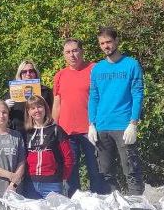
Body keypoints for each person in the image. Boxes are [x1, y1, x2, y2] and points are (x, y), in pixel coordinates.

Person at [88, 26, 146, 195]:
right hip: (102, 126)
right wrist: (91, 123)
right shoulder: (97, 69)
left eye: (109, 42)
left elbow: (137, 94)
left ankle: (138, 209)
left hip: (123, 125)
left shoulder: (131, 65)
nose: (106, 46)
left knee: (131, 170)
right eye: (102, 43)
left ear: (116, 41)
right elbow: (94, 97)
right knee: (105, 173)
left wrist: (133, 123)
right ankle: (112, 208)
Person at [53, 38, 106, 196]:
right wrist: (53, 127)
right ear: (64, 55)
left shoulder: (94, 69)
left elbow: (104, 98)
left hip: (91, 129)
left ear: (82, 51)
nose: (72, 55)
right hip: (66, 131)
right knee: (70, 172)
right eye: (68, 52)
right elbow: (57, 104)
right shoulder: (60, 75)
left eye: (75, 50)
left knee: (96, 170)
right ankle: (74, 204)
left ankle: (98, 203)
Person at [24, 95, 74, 198]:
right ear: (28, 112)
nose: (37, 110)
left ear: (45, 108)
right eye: (32, 108)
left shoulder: (56, 130)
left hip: (53, 184)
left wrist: (63, 177)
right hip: (31, 184)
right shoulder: (26, 133)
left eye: (39, 106)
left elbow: (68, 157)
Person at [6, 60, 53, 132]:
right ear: (20, 74)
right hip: (19, 133)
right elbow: (4, 115)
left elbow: (52, 112)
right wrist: (5, 106)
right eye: (24, 72)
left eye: (31, 71)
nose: (28, 74)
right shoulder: (12, 92)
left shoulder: (45, 91)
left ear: (36, 73)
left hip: (41, 131)